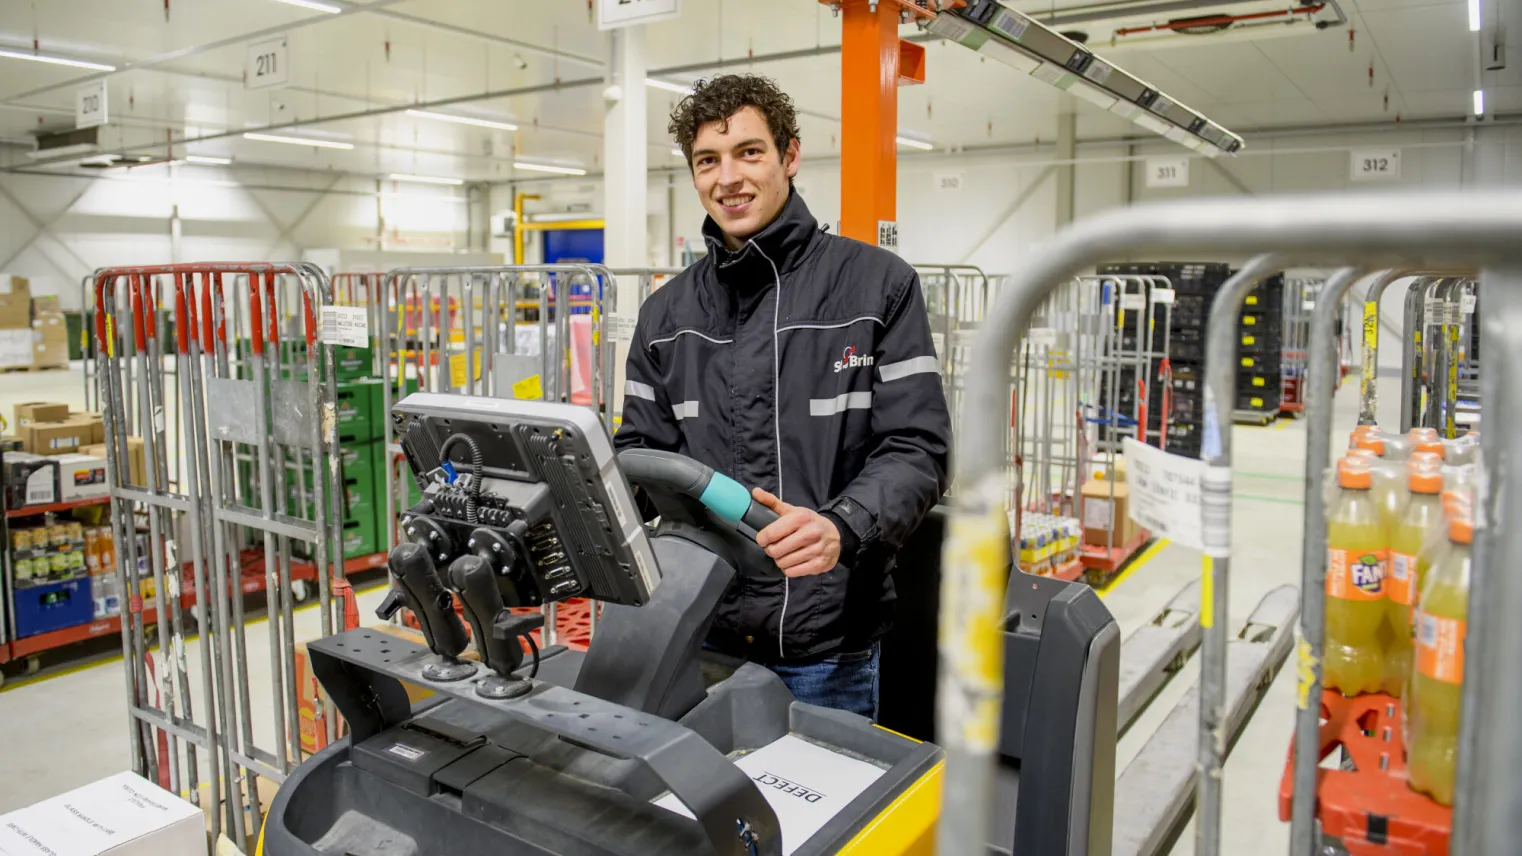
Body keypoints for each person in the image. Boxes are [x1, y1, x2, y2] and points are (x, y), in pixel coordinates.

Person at [613, 73, 951, 720]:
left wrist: (841, 526)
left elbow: (920, 450)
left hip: (826, 651)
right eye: (707, 161)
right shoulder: (665, 315)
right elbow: (637, 457)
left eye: (749, 152)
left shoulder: (877, 287)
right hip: (700, 633)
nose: (728, 177)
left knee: (826, 821)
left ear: (789, 157)